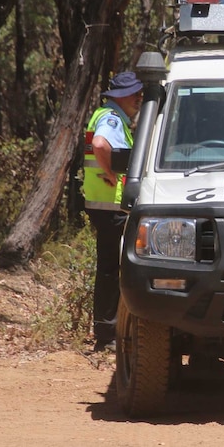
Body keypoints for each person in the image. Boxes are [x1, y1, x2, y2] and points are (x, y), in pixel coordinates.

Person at [83, 71, 143, 352]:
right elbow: (99, 144)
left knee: (109, 267)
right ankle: (108, 334)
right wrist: (110, 172)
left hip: (103, 205)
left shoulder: (104, 114)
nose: (139, 98)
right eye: (135, 94)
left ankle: (108, 331)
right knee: (113, 269)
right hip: (110, 206)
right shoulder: (112, 118)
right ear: (120, 96)